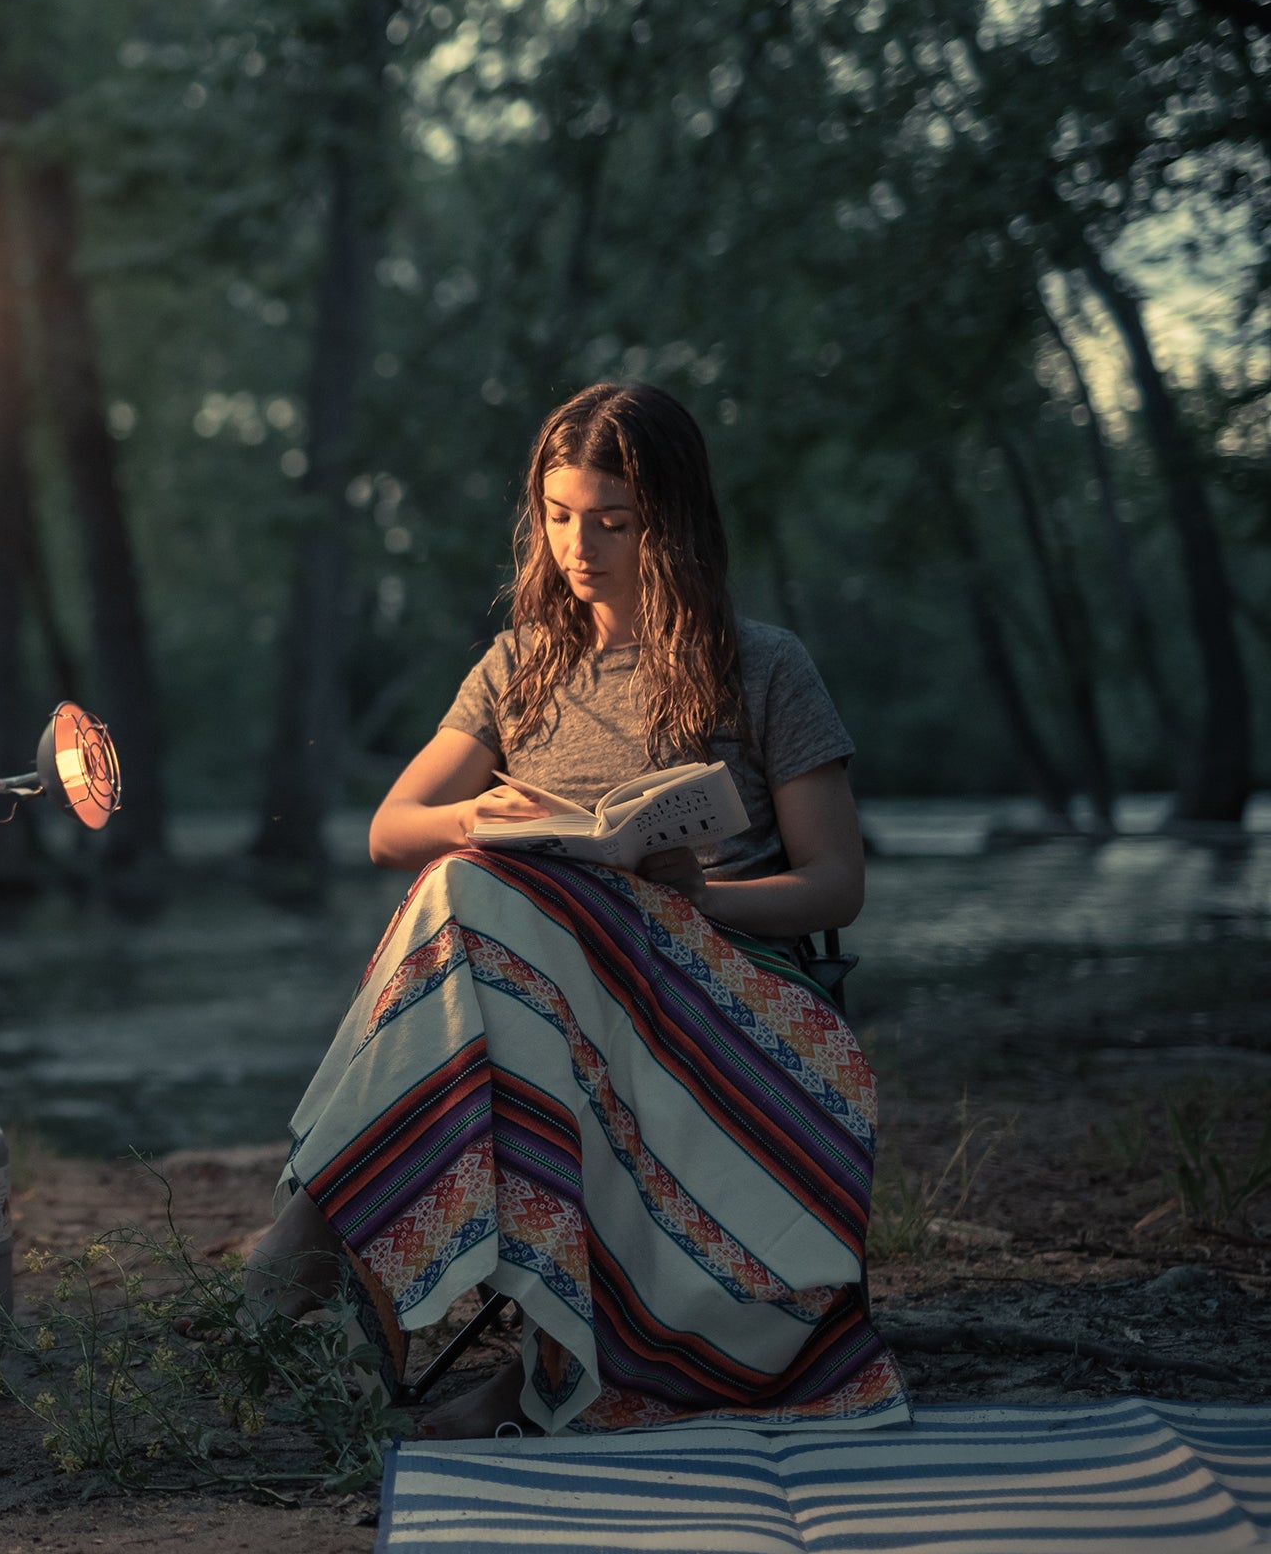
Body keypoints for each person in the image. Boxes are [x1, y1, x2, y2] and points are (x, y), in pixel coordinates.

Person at [243, 381, 905, 1439]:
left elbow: (837, 886)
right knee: (465, 881)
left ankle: (307, 1233)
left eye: (612, 520)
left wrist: (703, 894)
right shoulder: (521, 667)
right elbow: (387, 828)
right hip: (546, 997)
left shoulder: (763, 664)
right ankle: (499, 1342)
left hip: (719, 1002)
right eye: (557, 516)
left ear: (672, 523)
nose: (577, 547)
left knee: (470, 901)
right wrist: (482, 813)